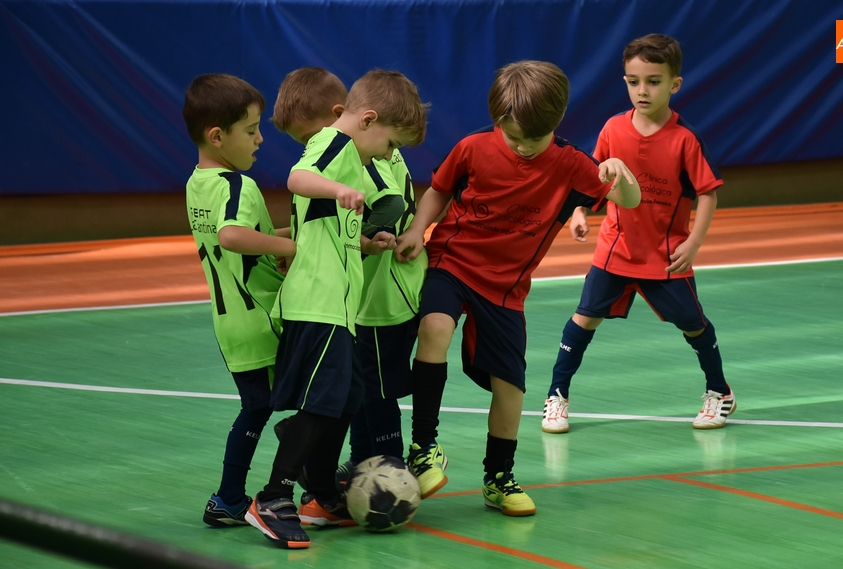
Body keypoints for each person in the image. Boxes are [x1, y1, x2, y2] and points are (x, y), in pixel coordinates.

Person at [393, 60, 641, 517]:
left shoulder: (571, 164)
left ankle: (498, 478)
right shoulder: (472, 148)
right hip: (452, 262)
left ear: (556, 123)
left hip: (506, 289)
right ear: (497, 121)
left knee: (510, 388)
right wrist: (417, 230)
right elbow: (439, 190)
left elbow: (630, 201)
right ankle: (423, 447)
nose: (523, 147)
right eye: (513, 137)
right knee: (434, 329)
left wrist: (619, 173)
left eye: (534, 139)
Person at [244, 68, 428, 549]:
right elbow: (297, 178)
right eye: (391, 144)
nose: (388, 155)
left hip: (339, 303)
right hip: (317, 300)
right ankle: (273, 497)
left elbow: (327, 227)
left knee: (348, 396)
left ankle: (322, 490)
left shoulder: (352, 154)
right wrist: (338, 190)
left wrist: (365, 243)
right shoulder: (334, 142)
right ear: (367, 120)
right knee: (327, 400)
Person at [541, 33, 733, 435]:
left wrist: (693, 243)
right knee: (583, 319)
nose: (642, 90)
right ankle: (557, 395)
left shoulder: (685, 139)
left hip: (665, 257)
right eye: (633, 81)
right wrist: (579, 210)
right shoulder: (613, 129)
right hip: (615, 249)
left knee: (694, 325)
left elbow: (708, 193)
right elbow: (593, 178)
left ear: (674, 84)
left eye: (653, 81)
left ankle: (719, 391)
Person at [181, 73, 297, 527]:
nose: (260, 138)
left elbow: (250, 236)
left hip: (229, 324)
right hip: (262, 318)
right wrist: (292, 248)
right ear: (217, 136)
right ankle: (306, 488)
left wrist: (293, 236)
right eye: (251, 130)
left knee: (257, 407)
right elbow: (233, 236)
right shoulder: (237, 186)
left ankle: (228, 498)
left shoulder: (197, 184)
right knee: (322, 399)